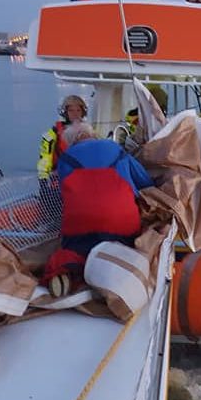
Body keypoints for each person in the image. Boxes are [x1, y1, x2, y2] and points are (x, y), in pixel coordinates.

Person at [42, 122, 154, 295]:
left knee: (73, 250)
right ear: (93, 134)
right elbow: (144, 181)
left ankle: (66, 271)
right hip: (121, 224)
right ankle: (116, 271)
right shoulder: (114, 148)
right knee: (125, 244)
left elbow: (63, 196)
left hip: (80, 226)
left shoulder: (66, 158)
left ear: (72, 142)